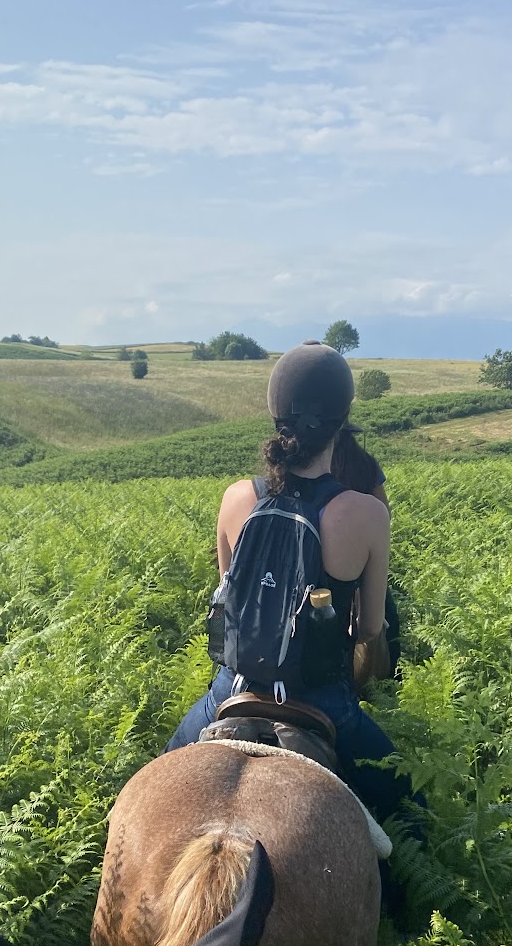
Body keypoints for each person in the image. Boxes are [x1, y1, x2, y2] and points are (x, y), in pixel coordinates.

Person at [166, 341, 414, 826]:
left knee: (153, 784)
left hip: (233, 688)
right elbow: (369, 630)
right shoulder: (366, 514)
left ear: (276, 416)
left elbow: (231, 600)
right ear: (343, 419)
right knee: (410, 810)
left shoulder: (236, 498)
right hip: (323, 699)